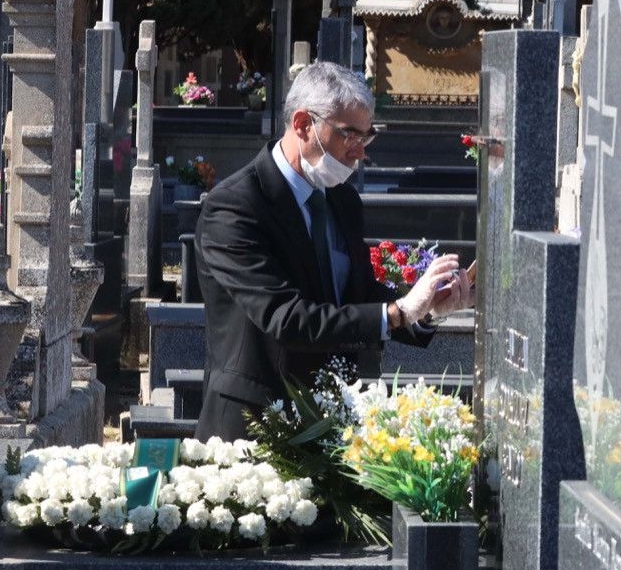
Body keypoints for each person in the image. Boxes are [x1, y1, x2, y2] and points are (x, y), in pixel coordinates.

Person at [194, 62, 473, 439]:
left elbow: (352, 293)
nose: (360, 153)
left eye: (367, 137)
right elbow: (286, 317)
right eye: (348, 135)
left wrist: (423, 309)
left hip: (331, 418)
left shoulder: (342, 199)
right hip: (256, 424)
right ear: (302, 124)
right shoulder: (235, 207)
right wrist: (397, 313)